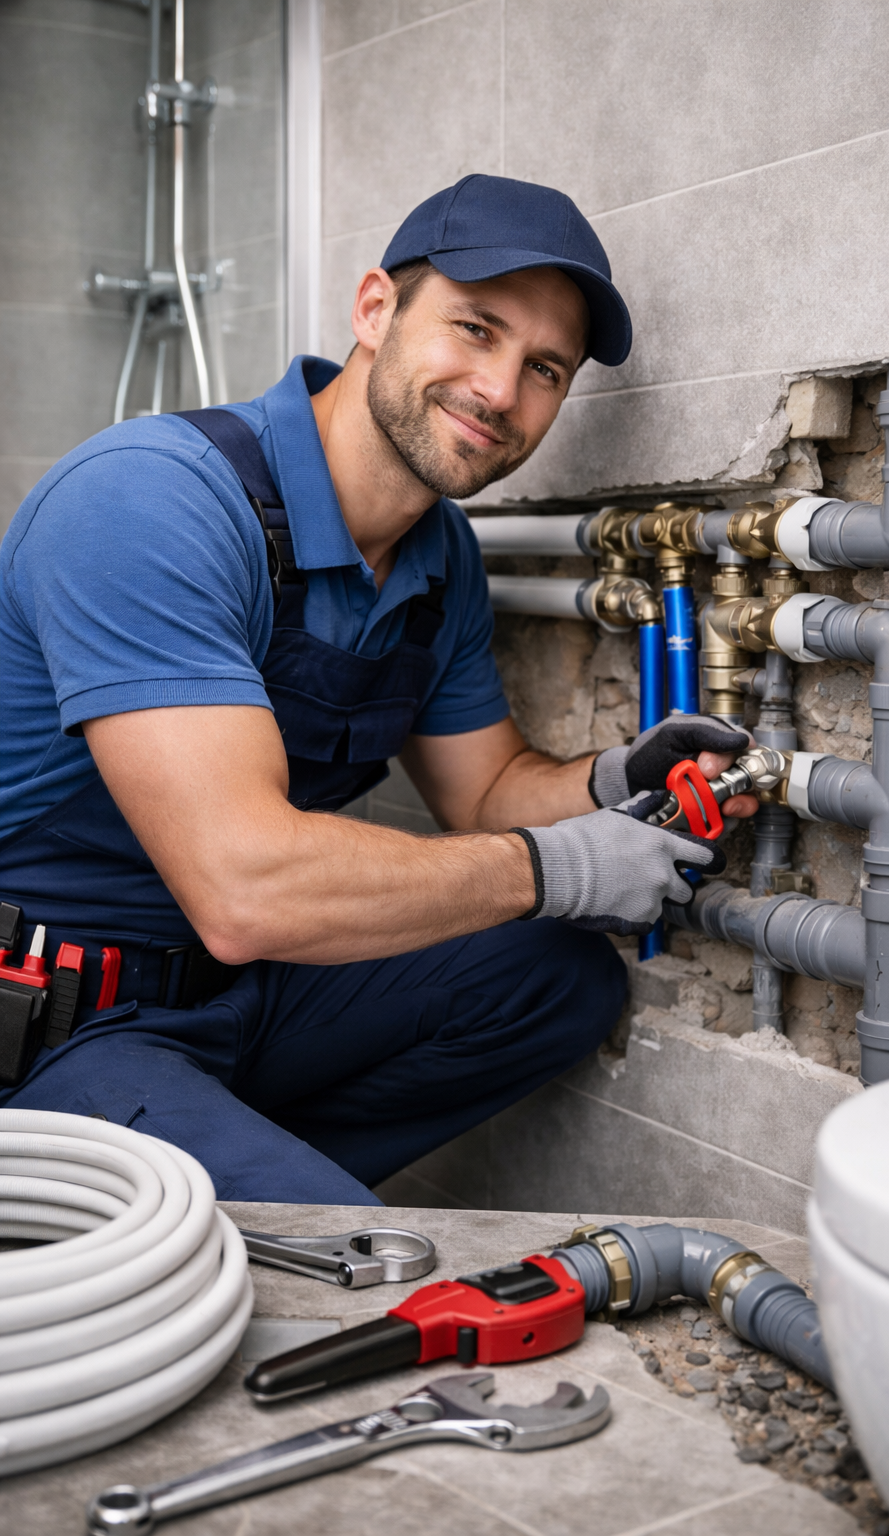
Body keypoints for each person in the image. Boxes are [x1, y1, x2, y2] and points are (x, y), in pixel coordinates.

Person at [0, 175, 757, 1202]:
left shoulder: (435, 557)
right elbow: (245, 887)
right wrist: (560, 866)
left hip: (224, 996)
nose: (500, 391)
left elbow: (486, 794)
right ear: (373, 310)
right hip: (46, 1020)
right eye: (475, 330)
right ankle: (257, 1216)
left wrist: (617, 777)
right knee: (356, 1260)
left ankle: (241, 1193)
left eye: (543, 367)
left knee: (552, 981)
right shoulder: (149, 500)